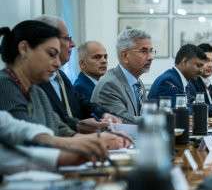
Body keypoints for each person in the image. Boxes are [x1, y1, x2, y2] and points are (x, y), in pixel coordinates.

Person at [0, 21, 125, 149]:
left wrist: (99, 138)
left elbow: (60, 128)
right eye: (51, 54)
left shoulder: (36, 92)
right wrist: (94, 141)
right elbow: (29, 139)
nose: (58, 63)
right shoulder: (4, 84)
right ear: (24, 49)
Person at [35, 16, 116, 130]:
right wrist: (79, 127)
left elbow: (81, 102)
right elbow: (47, 127)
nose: (72, 43)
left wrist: (104, 114)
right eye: (67, 38)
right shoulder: (33, 81)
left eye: (105, 57)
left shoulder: (60, 76)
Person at [0, 110, 108, 172]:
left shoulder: (38, 90)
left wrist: (78, 139)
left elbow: (12, 125)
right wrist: (59, 154)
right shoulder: (7, 85)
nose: (59, 68)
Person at [92, 28, 154, 124]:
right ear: (125, 55)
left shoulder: (137, 83)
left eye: (151, 51)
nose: (150, 57)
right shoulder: (109, 85)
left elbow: (143, 116)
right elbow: (124, 122)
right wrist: (160, 120)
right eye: (144, 51)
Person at [148, 44, 206, 109]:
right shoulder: (168, 82)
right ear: (184, 62)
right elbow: (177, 113)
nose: (201, 71)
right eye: (198, 65)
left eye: (202, 67)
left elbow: (196, 105)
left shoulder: (190, 85)